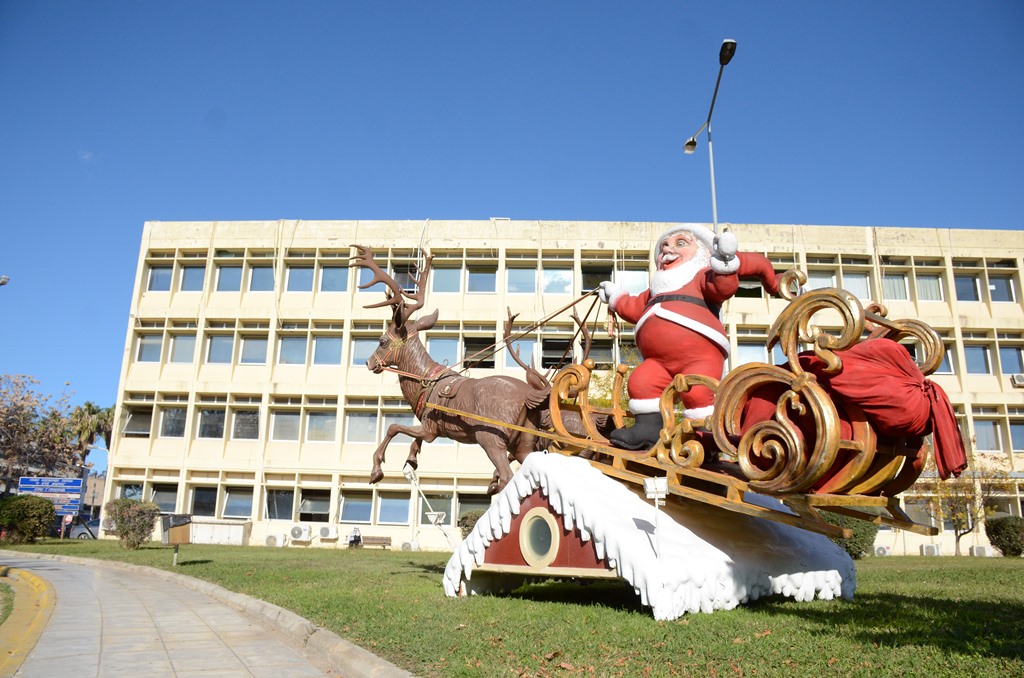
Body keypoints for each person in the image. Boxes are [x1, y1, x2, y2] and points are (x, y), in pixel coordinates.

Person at [597, 224, 783, 450]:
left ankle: (704, 440)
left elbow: (722, 287)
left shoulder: (702, 276)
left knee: (699, 392)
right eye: (664, 245)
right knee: (641, 381)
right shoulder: (655, 290)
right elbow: (634, 306)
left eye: (680, 243)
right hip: (657, 361)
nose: (668, 249)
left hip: (700, 357)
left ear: (703, 252)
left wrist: (725, 262)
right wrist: (615, 296)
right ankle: (648, 429)